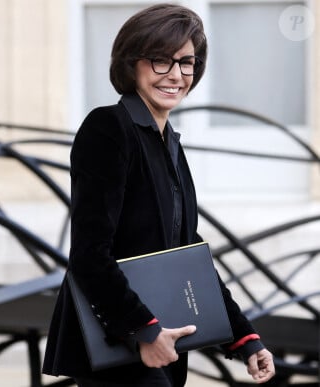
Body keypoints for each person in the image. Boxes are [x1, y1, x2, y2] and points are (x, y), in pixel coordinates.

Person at [42, 4, 275, 387]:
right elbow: (89, 253)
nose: (176, 75)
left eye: (186, 63)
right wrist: (142, 330)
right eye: (160, 61)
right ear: (131, 64)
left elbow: (187, 253)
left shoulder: (169, 143)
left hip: (161, 341)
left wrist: (245, 339)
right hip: (120, 342)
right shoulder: (108, 128)